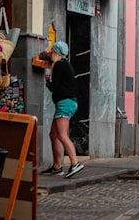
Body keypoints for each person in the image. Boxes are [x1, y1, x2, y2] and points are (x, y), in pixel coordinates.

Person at [41, 41, 84, 178]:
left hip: (64, 103)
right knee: (53, 134)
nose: (51, 54)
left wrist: (48, 81)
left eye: (52, 51)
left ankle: (75, 163)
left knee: (61, 135)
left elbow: (55, 87)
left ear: (56, 53)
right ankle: (57, 166)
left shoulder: (59, 65)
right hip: (68, 102)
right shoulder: (67, 65)